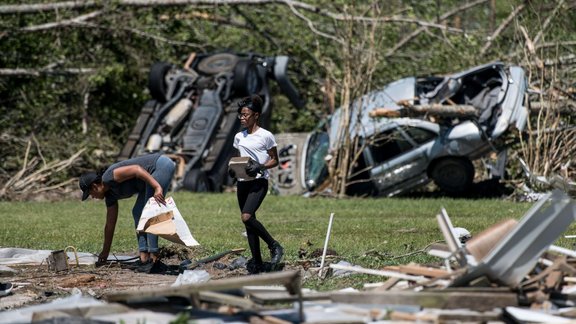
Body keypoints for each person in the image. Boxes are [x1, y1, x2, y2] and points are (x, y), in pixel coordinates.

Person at [79, 153, 175, 272]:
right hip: (147, 180)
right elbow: (110, 225)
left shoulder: (109, 177)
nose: (92, 197)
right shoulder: (110, 197)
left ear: (94, 186)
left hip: (160, 166)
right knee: (137, 212)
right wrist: (105, 252)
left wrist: (157, 187)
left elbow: (137, 170)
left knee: (150, 211)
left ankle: (154, 259)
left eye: (90, 194)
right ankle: (144, 258)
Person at [230, 94, 284, 274]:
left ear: (256, 115)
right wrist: (233, 169)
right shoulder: (239, 136)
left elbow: (274, 160)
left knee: (246, 216)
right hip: (242, 183)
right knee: (249, 223)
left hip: (259, 182)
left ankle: (274, 246)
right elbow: (239, 159)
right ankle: (258, 264)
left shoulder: (266, 136)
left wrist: (260, 166)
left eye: (246, 114)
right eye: (241, 115)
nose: (242, 118)